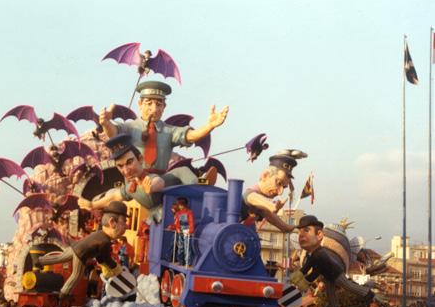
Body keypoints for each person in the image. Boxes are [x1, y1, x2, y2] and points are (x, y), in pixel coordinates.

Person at [99, 80, 229, 173]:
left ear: (164, 107)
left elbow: (190, 136)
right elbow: (114, 133)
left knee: (184, 173)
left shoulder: (169, 131)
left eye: (159, 104)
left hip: (160, 179)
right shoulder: (129, 127)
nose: (154, 109)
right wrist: (106, 123)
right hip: (135, 178)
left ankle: (202, 180)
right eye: (149, 103)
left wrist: (210, 125)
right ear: (140, 104)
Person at [78, 134, 198, 222]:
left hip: (177, 203)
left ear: (140, 159)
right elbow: (114, 195)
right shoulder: (131, 187)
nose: (126, 170)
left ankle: (201, 183)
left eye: (129, 162)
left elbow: (158, 181)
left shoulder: (149, 177)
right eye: (120, 166)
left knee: (185, 175)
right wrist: (92, 205)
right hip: (157, 219)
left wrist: (151, 187)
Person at [36, 201, 128, 298]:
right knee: (76, 275)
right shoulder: (105, 241)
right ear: (112, 222)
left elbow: (100, 257)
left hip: (76, 246)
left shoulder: (100, 233)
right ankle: (64, 294)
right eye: (124, 222)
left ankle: (40, 261)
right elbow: (104, 259)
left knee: (60, 257)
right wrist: (115, 268)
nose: (126, 226)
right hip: (81, 254)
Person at [290, 215, 374, 307]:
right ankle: (333, 306)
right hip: (328, 274)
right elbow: (308, 266)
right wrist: (301, 275)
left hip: (335, 273)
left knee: (347, 285)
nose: (301, 235)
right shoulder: (313, 253)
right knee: (330, 290)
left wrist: (305, 280)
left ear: (319, 235)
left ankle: (367, 293)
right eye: (300, 232)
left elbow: (315, 271)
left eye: (306, 230)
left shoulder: (319, 253)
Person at [241, 154, 299, 232]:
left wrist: (295, 227)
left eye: (284, 187)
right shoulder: (251, 195)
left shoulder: (262, 208)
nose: (280, 192)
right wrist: (271, 206)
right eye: (278, 183)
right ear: (265, 175)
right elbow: (252, 198)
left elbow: (283, 226)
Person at [168, 197, 195, 266]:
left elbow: (191, 222)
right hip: (180, 231)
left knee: (187, 247)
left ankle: (187, 262)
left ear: (183, 205)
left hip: (187, 231)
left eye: (179, 205)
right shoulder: (178, 213)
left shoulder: (189, 212)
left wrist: (190, 231)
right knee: (180, 247)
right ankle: (180, 261)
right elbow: (177, 223)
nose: (179, 206)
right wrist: (178, 229)